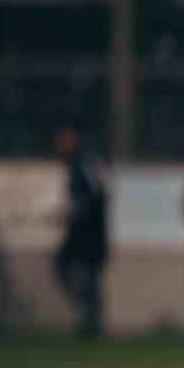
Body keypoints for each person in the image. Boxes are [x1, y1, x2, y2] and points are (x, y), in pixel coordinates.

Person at [53, 123, 109, 338]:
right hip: (86, 230)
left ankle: (91, 321)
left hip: (88, 232)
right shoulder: (79, 163)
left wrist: (77, 215)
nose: (59, 145)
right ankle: (90, 320)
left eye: (63, 139)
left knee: (78, 271)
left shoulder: (84, 162)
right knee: (86, 277)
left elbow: (97, 194)